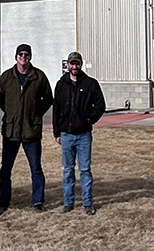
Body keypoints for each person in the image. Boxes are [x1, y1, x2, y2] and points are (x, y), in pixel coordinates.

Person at [0, 43, 53, 215]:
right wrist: (12, 114)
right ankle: (3, 202)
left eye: (26, 54)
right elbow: (0, 98)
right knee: (6, 168)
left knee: (36, 168)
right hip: (11, 131)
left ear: (30, 57)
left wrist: (35, 114)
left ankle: (38, 201)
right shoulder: (6, 77)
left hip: (31, 131)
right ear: (16, 57)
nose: (23, 57)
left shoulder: (39, 76)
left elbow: (48, 98)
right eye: (20, 54)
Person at [52, 51, 106, 215]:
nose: (74, 66)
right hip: (66, 134)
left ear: (81, 65)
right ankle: (68, 202)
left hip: (83, 135)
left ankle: (87, 203)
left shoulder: (91, 84)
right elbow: (56, 110)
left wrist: (88, 121)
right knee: (68, 170)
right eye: (72, 63)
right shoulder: (61, 84)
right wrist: (57, 132)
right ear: (67, 65)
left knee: (85, 170)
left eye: (77, 63)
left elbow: (100, 106)